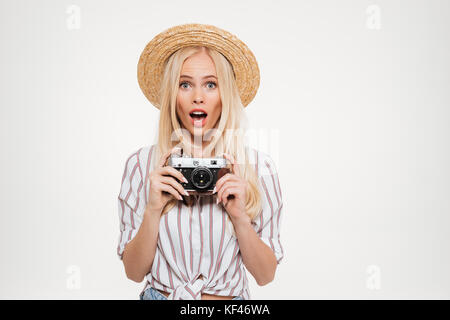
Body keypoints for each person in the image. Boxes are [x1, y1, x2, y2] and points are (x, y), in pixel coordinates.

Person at [117, 23, 284, 300]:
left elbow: (265, 276)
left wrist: (240, 217)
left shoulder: (257, 167)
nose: (198, 96)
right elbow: (134, 273)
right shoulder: (141, 164)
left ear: (225, 94)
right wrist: (153, 209)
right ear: (172, 93)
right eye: (185, 84)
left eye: (211, 84)